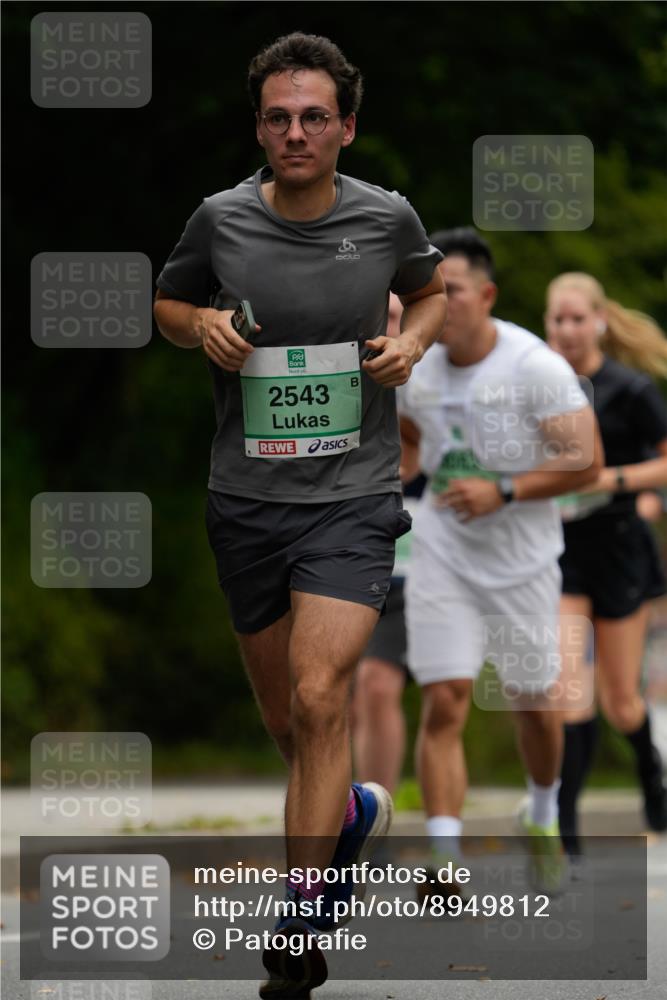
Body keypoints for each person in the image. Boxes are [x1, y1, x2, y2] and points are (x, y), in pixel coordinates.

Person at [153, 32, 446, 998]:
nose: (295, 131)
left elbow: (429, 292)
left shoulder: (386, 217)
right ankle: (354, 811)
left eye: (314, 115)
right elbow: (167, 300)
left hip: (353, 498)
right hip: (245, 500)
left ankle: (302, 922)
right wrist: (197, 325)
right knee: (289, 720)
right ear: (259, 128)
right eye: (278, 116)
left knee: (324, 697)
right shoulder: (221, 220)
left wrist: (412, 349)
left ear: (345, 128)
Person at [400, 228, 602, 895]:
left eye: (450, 290)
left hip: (523, 559)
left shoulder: (531, 365)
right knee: (445, 697)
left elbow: (586, 459)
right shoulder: (413, 364)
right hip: (441, 549)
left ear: (484, 295)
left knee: (535, 704)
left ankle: (540, 814)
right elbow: (405, 435)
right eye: (428, 290)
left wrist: (505, 489)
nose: (438, 302)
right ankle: (442, 855)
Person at [544, 272, 667, 860]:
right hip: (561, 550)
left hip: (619, 547)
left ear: (598, 320)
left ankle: (651, 773)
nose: (566, 330)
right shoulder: (533, 385)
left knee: (622, 701)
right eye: (556, 319)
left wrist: (611, 480)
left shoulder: (630, 388)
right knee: (568, 687)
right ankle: (564, 824)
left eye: (576, 318)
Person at [352, 293, 424, 797]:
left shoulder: (440, 387)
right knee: (338, 699)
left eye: (398, 317)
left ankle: (375, 823)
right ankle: (350, 816)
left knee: (378, 688)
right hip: (346, 559)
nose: (387, 327)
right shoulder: (340, 380)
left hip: (417, 572)